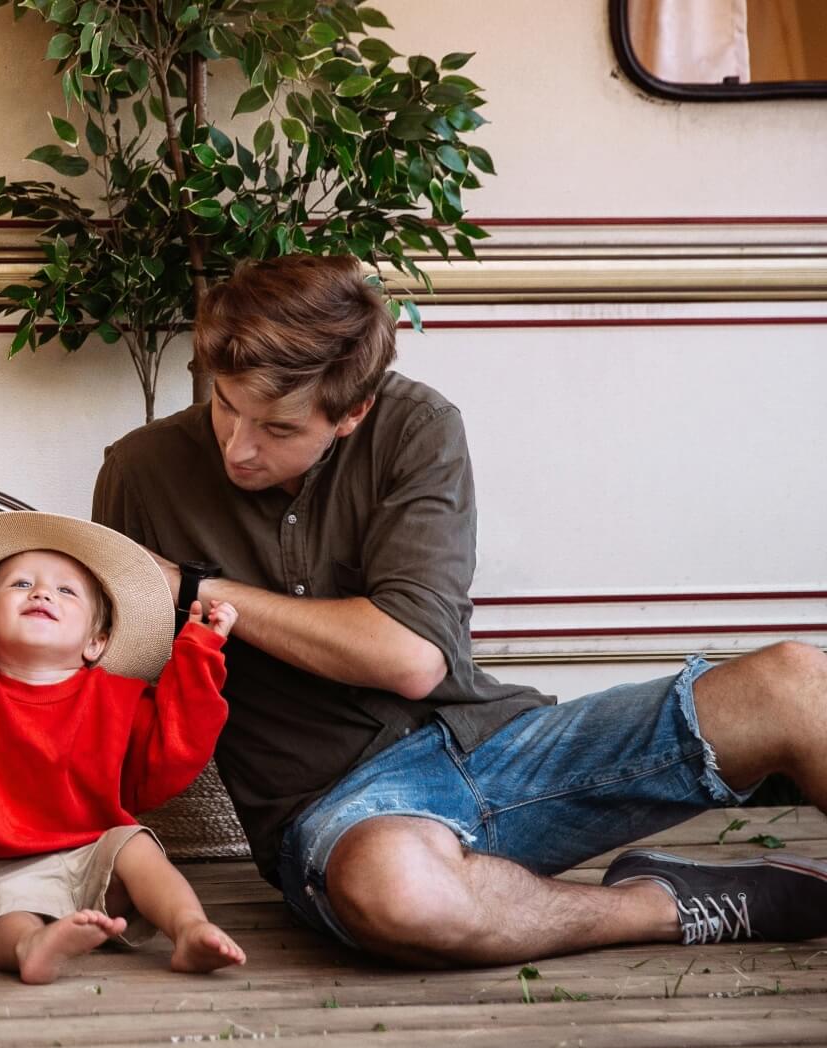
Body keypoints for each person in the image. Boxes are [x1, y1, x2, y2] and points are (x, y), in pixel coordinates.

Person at [92, 254, 827, 968]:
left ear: (353, 413)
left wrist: (197, 587)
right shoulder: (140, 473)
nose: (238, 446)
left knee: (795, 684)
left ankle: (513, 893)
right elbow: (102, 695)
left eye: (278, 429)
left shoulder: (416, 425)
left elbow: (413, 657)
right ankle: (660, 904)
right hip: (339, 813)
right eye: (226, 405)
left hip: (495, 744)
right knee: (400, 892)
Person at [0, 510, 245, 984]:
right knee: (1, 913)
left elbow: (174, 755)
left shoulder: (119, 699)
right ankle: (31, 946)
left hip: (97, 853)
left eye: (66, 591)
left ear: (96, 642)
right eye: (20, 584)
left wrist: (199, 657)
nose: (41, 593)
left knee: (137, 846)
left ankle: (189, 928)